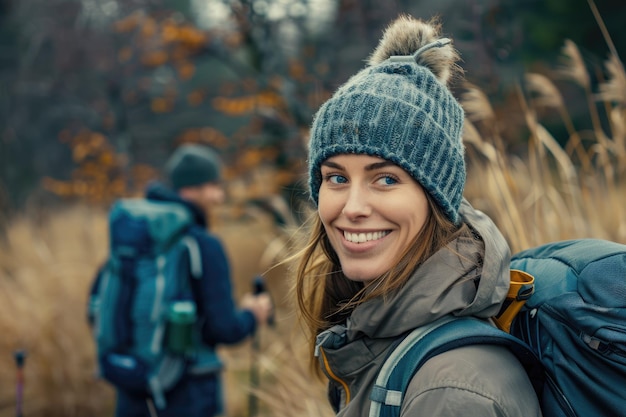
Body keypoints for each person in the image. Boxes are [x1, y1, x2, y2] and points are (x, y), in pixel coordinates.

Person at [293, 15, 542, 417]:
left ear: (436, 198)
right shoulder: (379, 333)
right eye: (336, 177)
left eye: (386, 179)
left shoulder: (451, 393)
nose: (352, 207)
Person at [88, 143, 273, 417]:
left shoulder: (136, 237)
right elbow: (223, 329)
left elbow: (96, 306)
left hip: (134, 381)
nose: (219, 197)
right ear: (192, 188)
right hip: (191, 390)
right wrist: (252, 315)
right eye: (214, 186)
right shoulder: (203, 245)